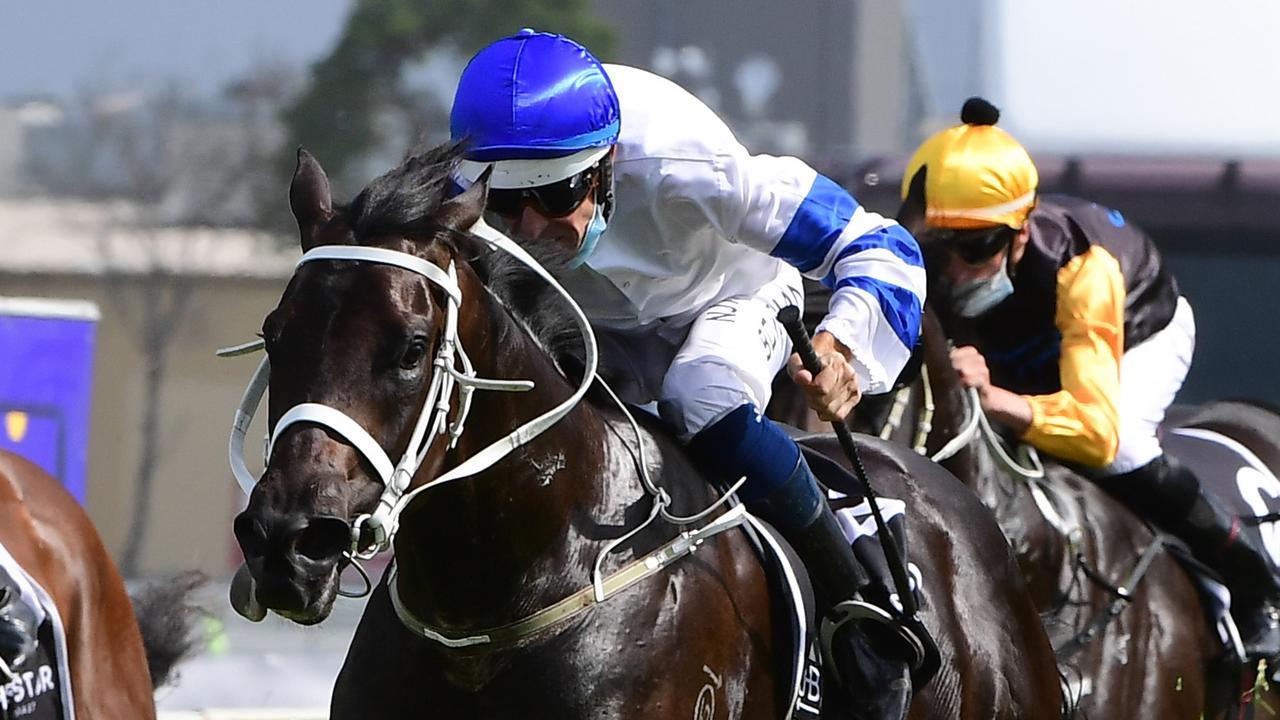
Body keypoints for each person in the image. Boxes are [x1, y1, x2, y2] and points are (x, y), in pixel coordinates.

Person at [450, 29, 930, 718]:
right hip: (590, 327)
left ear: (606, 164)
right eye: (502, 205)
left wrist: (845, 346)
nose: (528, 229)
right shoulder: (458, 186)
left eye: (555, 196)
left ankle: (853, 585)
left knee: (699, 396)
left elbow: (879, 243)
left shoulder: (687, 161)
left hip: (730, 298)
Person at [903, 96, 1280, 659]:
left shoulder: (1084, 269)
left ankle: (1258, 592)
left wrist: (995, 399)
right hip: (1026, 349)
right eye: (939, 246)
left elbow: (1094, 430)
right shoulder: (920, 255)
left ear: (1021, 233)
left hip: (1136, 331)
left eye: (976, 246)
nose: (953, 269)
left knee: (1122, 448)